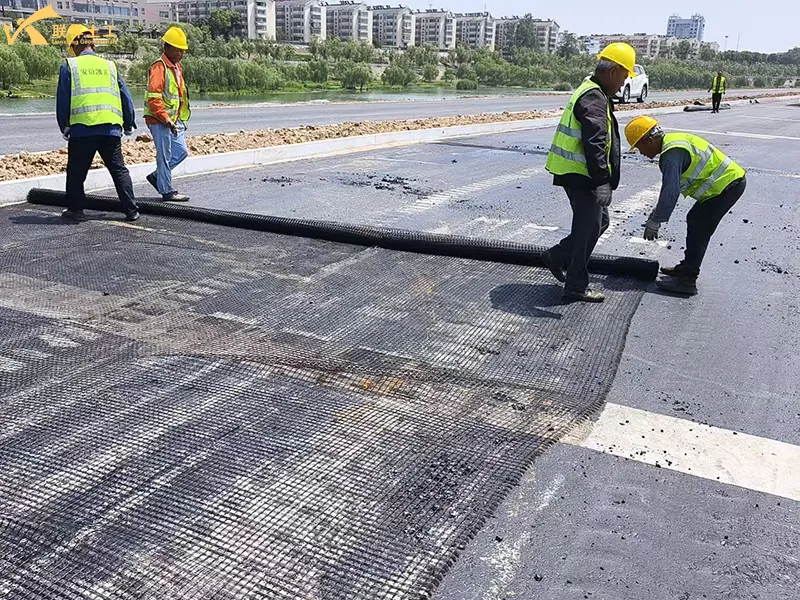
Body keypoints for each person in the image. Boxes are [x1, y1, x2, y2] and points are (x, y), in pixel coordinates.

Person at [540, 42, 636, 303]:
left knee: (598, 223)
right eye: (625, 76)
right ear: (613, 72)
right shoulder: (594, 96)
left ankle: (559, 256)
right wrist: (603, 182)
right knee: (588, 228)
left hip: (579, 173)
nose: (623, 83)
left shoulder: (594, 91)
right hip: (582, 175)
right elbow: (594, 141)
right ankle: (576, 286)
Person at [625, 115, 747, 296]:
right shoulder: (673, 144)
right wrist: (655, 212)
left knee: (699, 226)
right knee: (695, 219)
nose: (640, 153)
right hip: (726, 185)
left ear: (649, 140)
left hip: (727, 185)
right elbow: (670, 190)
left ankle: (688, 280)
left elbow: (670, 192)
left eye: (639, 147)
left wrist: (656, 221)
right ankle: (686, 268)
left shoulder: (671, 155)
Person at [57, 24, 139, 222]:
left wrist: (64, 125)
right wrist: (128, 123)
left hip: (82, 130)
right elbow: (125, 96)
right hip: (110, 129)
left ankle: (76, 211)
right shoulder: (110, 66)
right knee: (118, 170)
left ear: (75, 45)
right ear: (92, 42)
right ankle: (131, 210)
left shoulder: (69, 65)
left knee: (76, 172)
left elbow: (63, 100)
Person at [144, 26, 192, 202]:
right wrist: (165, 119)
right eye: (177, 49)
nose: (181, 53)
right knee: (164, 155)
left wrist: (176, 120)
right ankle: (167, 190)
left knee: (181, 152)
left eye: (183, 50)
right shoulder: (159, 67)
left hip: (173, 120)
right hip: (159, 119)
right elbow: (154, 98)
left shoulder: (177, 68)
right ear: (167, 47)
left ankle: (158, 177)